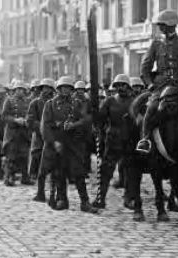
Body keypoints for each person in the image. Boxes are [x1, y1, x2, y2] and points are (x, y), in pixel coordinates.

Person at [136, 10, 178, 154]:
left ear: (170, 25)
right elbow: (144, 68)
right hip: (161, 86)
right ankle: (145, 139)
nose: (160, 27)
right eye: (160, 25)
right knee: (151, 108)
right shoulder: (156, 44)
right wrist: (150, 84)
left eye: (162, 25)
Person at [40, 76, 98, 214]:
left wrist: (74, 125)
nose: (65, 90)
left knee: (78, 173)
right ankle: (62, 199)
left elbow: (86, 120)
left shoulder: (77, 104)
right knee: (59, 173)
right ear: (58, 89)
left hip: (74, 144)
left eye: (68, 88)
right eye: (62, 88)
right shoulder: (50, 104)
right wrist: (53, 142)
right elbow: (45, 126)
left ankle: (85, 202)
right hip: (58, 144)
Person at [93, 74, 134, 209]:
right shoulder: (109, 101)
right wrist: (97, 123)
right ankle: (101, 198)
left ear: (128, 87)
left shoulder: (135, 101)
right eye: (117, 86)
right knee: (106, 170)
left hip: (129, 140)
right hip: (113, 140)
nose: (120, 88)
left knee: (130, 171)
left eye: (123, 85)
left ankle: (128, 198)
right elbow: (100, 119)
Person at [29, 78, 56, 202]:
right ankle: (40, 192)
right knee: (40, 167)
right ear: (41, 89)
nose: (47, 91)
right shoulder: (35, 103)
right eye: (45, 88)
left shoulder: (54, 103)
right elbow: (30, 120)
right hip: (39, 138)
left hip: (52, 138)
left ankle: (53, 194)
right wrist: (41, 126)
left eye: (49, 88)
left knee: (54, 167)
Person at [1, 81, 32, 186]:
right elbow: (4, 116)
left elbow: (31, 114)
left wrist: (26, 120)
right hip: (12, 133)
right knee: (11, 156)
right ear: (14, 90)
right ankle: (8, 177)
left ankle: (25, 177)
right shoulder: (8, 101)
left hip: (24, 132)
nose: (20, 91)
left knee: (24, 156)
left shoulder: (28, 101)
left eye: (22, 89)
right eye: (18, 89)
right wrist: (15, 120)